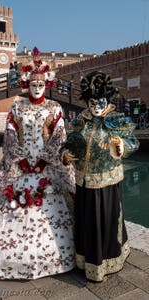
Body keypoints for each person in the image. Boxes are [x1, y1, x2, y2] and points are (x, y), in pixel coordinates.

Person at [0, 47, 76, 280]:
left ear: (46, 85)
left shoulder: (55, 108)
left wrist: (45, 159)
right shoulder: (16, 107)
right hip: (19, 166)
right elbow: (10, 135)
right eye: (33, 84)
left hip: (47, 166)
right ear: (26, 84)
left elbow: (59, 136)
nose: (37, 88)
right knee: (1, 202)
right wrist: (19, 158)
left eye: (41, 85)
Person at [60, 71, 140, 282]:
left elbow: (133, 142)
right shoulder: (81, 121)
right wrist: (65, 155)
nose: (96, 106)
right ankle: (86, 261)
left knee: (107, 221)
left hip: (107, 181)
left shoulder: (116, 119)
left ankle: (109, 260)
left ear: (107, 100)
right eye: (92, 102)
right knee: (87, 221)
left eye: (100, 101)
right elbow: (70, 144)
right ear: (87, 101)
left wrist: (122, 146)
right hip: (84, 181)